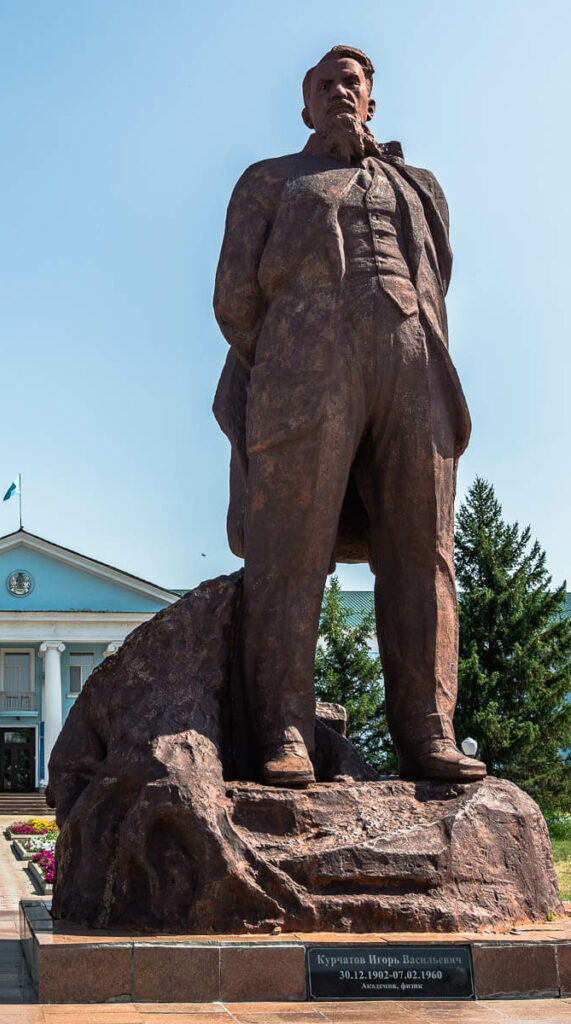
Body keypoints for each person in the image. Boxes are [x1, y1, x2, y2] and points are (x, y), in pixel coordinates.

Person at [213, 45, 487, 786]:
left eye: (351, 83)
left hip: (412, 361)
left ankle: (428, 734)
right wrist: (294, 350)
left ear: (371, 100)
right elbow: (234, 299)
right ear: (305, 108)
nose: (339, 93)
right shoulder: (268, 180)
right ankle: (283, 732)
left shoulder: (419, 185)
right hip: (304, 366)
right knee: (288, 552)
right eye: (325, 85)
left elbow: (438, 275)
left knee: (422, 550)